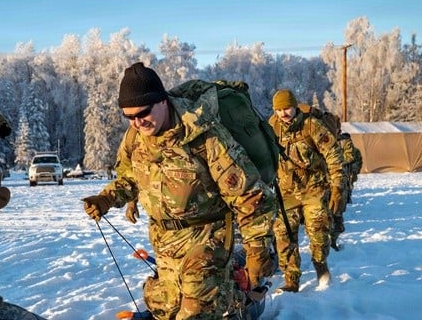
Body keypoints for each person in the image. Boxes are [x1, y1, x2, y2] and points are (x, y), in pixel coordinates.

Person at [82, 62, 277, 319]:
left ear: (162, 102)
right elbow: (131, 178)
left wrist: (257, 249)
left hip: (207, 237)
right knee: (165, 309)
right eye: (129, 117)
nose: (137, 123)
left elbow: (249, 194)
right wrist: (107, 198)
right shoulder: (136, 138)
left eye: (143, 113)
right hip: (165, 243)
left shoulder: (203, 136)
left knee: (195, 313)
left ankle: (235, 298)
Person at [268, 89, 346, 292]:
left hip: (314, 189)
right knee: (284, 236)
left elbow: (334, 155)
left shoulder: (312, 126)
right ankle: (291, 280)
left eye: (287, 108)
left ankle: (322, 269)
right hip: (286, 193)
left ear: (295, 106)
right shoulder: (272, 128)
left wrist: (338, 186)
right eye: (279, 110)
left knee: (318, 234)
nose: (283, 113)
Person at [330, 131, 363, 250]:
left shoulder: (343, 150)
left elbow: (356, 162)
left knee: (336, 212)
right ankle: (331, 239)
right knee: (335, 213)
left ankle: (332, 239)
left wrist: (353, 174)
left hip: (342, 183)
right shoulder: (332, 148)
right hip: (338, 184)